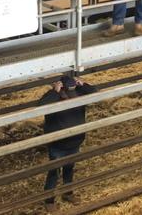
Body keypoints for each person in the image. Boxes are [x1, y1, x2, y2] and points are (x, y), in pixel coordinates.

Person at [38, 76, 97, 212]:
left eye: (74, 88)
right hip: (58, 143)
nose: (71, 93)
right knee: (54, 171)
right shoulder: (53, 97)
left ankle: (68, 193)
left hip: (75, 140)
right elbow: (41, 106)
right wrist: (54, 91)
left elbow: (95, 92)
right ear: (61, 88)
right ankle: (49, 200)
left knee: (69, 168)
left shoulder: (80, 93)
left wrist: (83, 84)